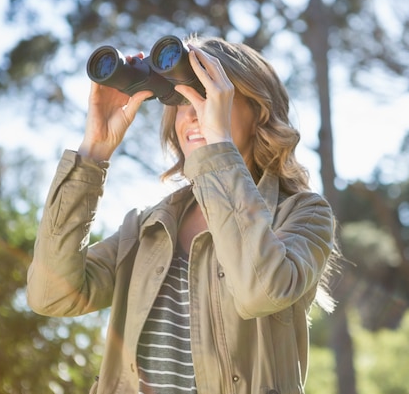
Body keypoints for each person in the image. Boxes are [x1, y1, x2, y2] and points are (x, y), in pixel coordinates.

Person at [27, 34, 340, 394]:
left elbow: (259, 291)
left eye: (205, 94)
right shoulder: (148, 228)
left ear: (258, 113)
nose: (191, 113)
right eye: (178, 98)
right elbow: (51, 295)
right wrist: (93, 153)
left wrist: (218, 144)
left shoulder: (303, 215)